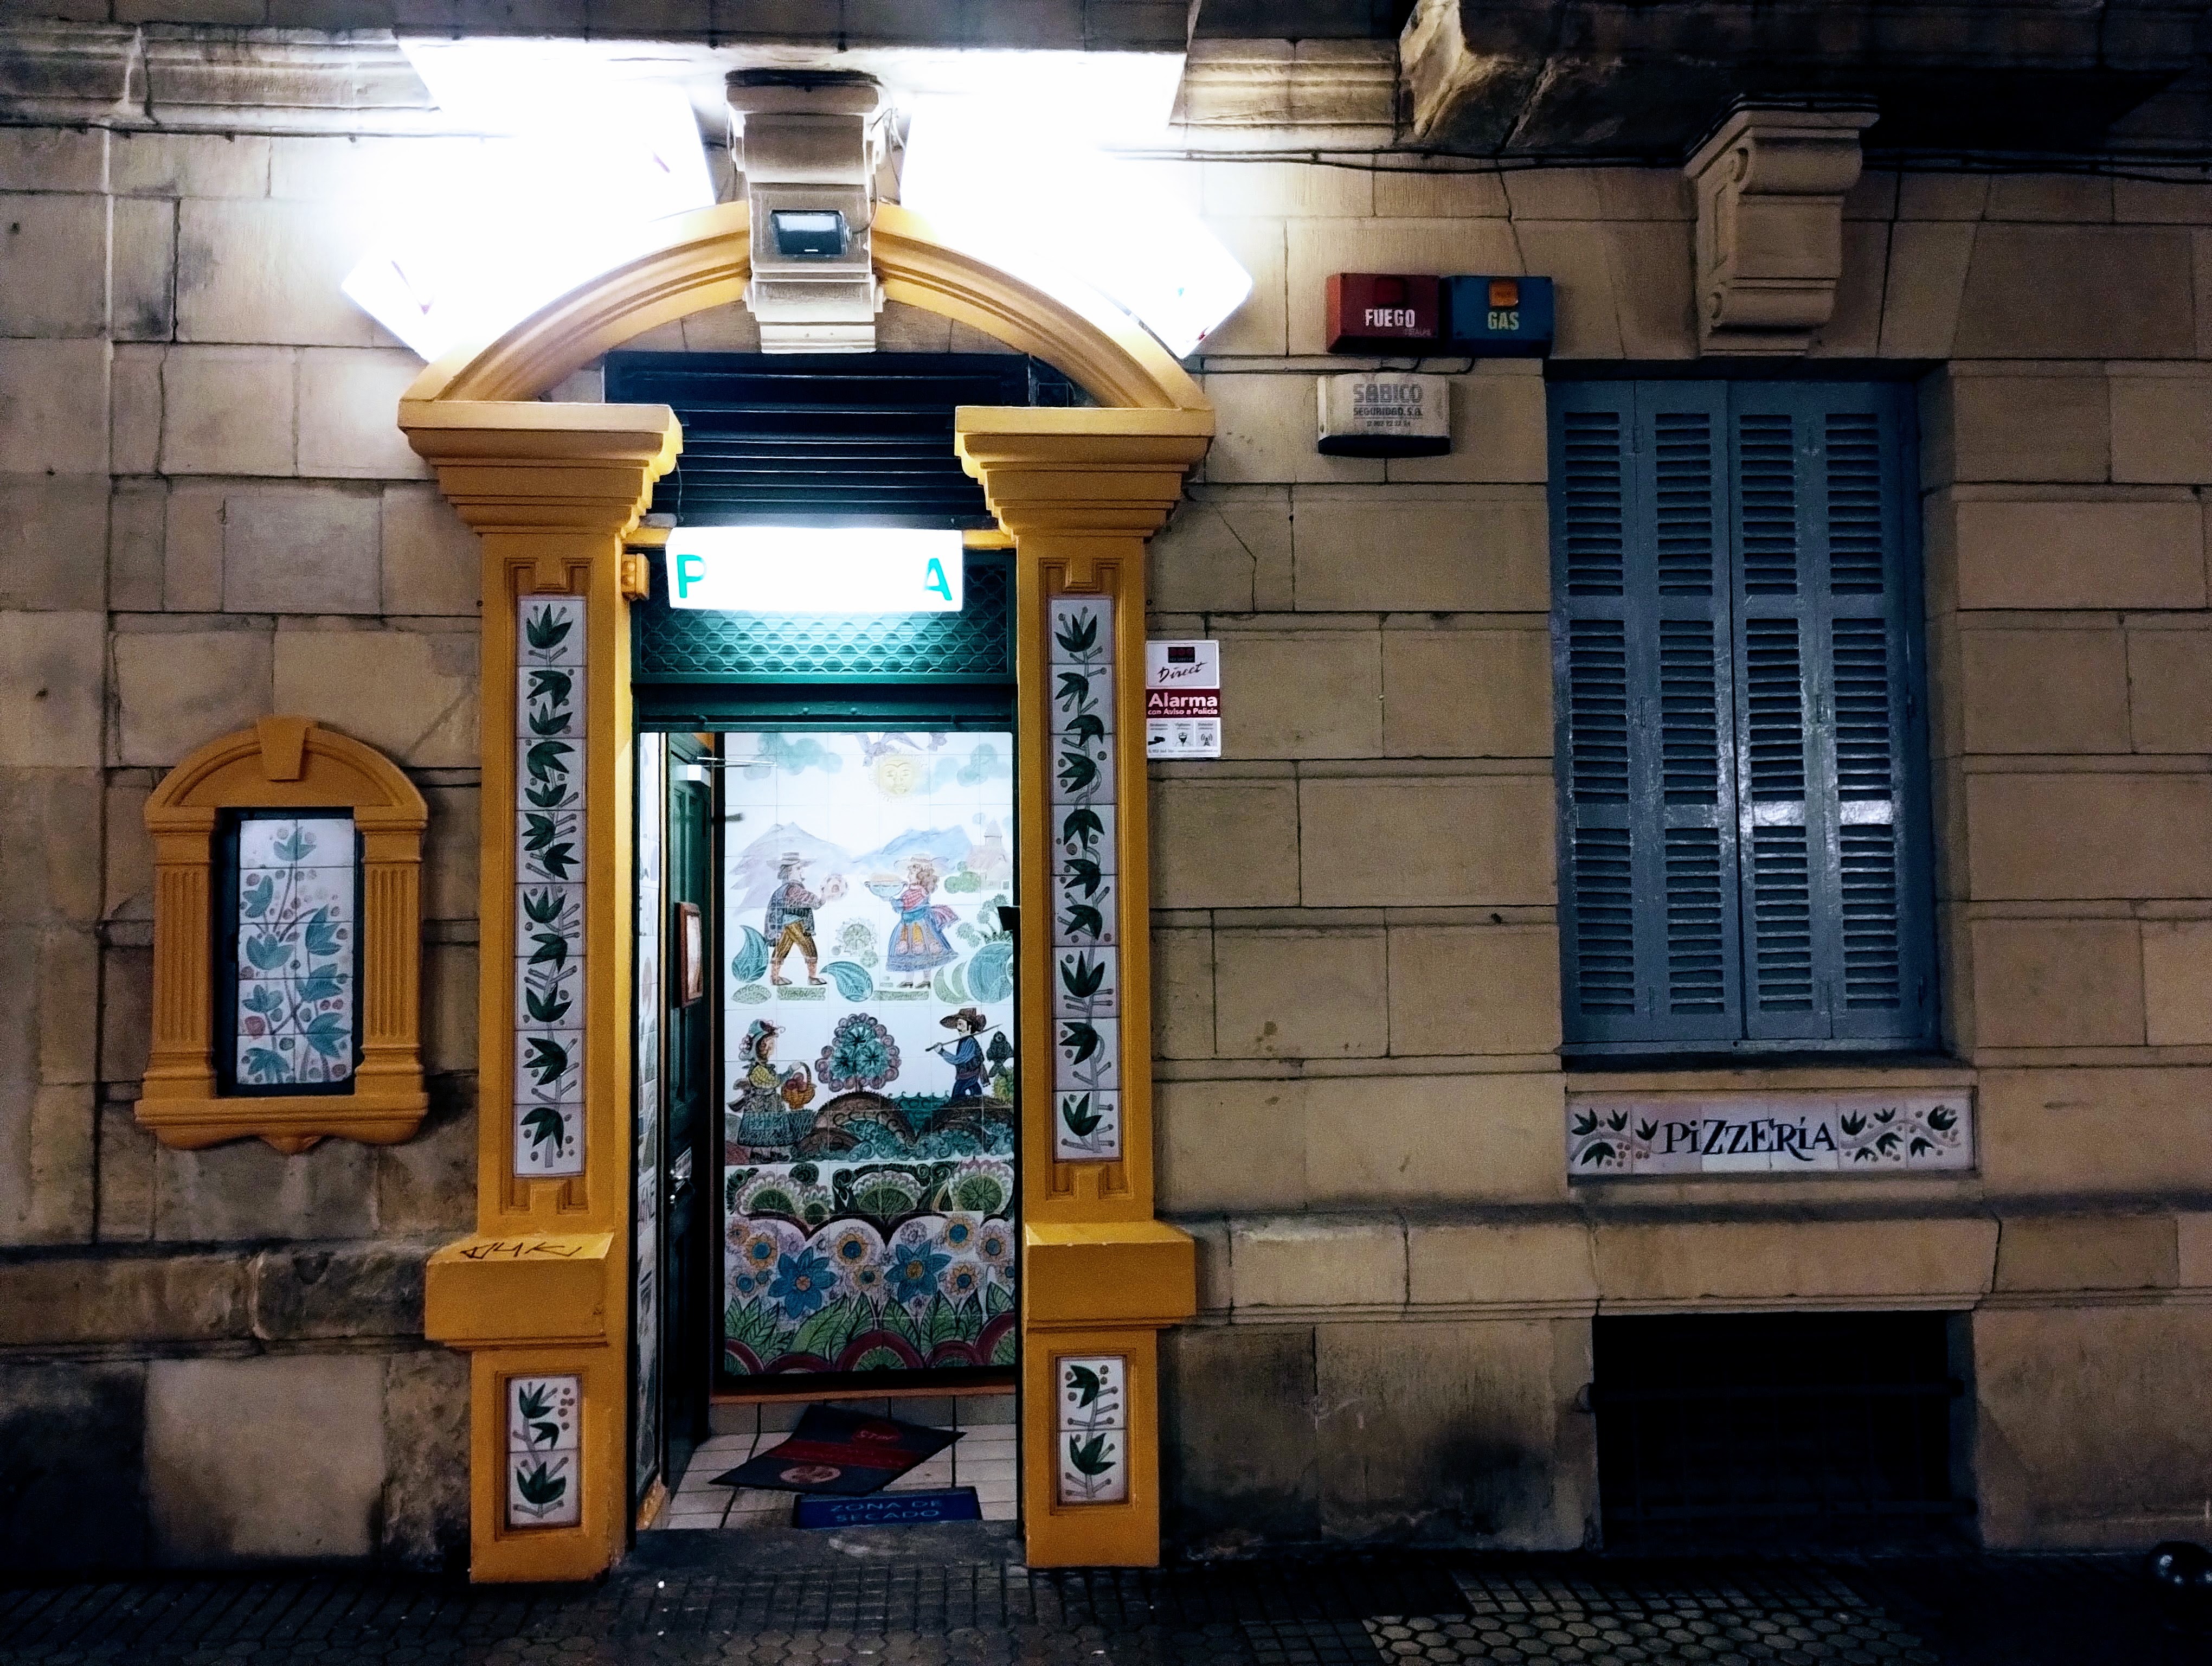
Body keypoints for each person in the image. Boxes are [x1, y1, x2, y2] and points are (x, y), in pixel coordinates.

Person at [866, 857, 957, 988]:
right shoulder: (910, 891)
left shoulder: (921, 891)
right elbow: (903, 904)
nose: (908, 876)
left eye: (912, 873)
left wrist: (891, 899)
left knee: (925, 952)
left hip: (920, 927)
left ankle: (927, 980)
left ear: (921, 877)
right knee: (909, 954)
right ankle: (909, 981)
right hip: (907, 926)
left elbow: (905, 904)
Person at [729, 1019, 815, 1152]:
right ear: (762, 1048)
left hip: (771, 1102)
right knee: (761, 1130)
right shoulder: (758, 1070)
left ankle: (773, 1152)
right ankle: (758, 1153)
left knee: (773, 1129)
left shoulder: (765, 1068)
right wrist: (790, 1071)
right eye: (771, 1045)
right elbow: (774, 1082)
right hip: (760, 1104)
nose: (773, 1049)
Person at [764, 853, 829, 986]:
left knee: (782, 948)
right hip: (795, 923)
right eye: (798, 868)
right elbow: (811, 900)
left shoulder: (784, 889)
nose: (801, 872)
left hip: (784, 924)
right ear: (789, 871)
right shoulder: (792, 889)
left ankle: (775, 978)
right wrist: (823, 897)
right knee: (808, 946)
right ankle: (812, 978)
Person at [930, 1007, 990, 1101]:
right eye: (958, 1024)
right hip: (968, 1074)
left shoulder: (969, 1042)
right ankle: (978, 1099)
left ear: (970, 1027)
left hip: (968, 1075)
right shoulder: (964, 1041)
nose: (958, 1028)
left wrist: (942, 1052)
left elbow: (958, 1060)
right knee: (975, 1091)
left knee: (957, 1095)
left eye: (961, 1024)